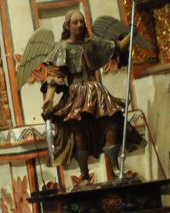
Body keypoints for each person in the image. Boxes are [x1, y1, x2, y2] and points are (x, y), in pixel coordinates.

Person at [40, 10, 139, 180]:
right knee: (79, 134)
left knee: (111, 126)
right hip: (76, 94)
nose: (79, 25)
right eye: (75, 22)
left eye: (81, 22)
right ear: (67, 26)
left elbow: (117, 47)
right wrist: (49, 98)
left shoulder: (92, 43)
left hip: (97, 92)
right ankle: (84, 175)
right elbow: (55, 75)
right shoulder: (62, 48)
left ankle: (115, 168)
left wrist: (131, 34)